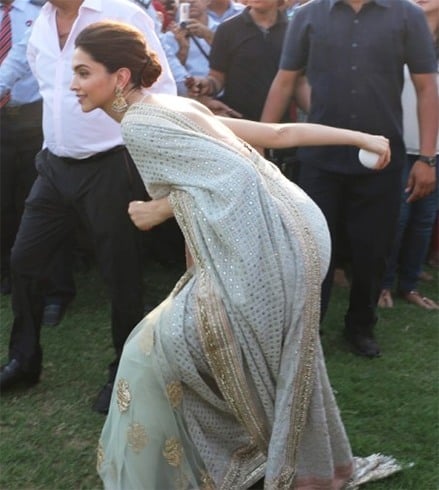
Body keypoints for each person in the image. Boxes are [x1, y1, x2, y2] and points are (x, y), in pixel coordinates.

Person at [71, 20, 396, 489]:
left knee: (150, 355)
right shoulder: (169, 104)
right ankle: (254, 455)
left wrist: (160, 208)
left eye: (83, 73)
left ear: (119, 77)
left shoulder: (141, 126)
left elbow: (234, 181)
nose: (72, 84)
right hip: (297, 233)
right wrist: (360, 137)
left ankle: (209, 467)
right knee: (184, 348)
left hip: (271, 246)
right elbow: (277, 134)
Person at [0, 0, 176, 416]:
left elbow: (162, 88)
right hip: (54, 163)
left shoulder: (122, 13)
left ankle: (125, 373)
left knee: (121, 273)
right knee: (24, 261)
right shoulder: (37, 22)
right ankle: (24, 362)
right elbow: (35, 80)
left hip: (112, 164)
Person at [261, 0, 438, 358]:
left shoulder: (407, 15)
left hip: (382, 160)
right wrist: (260, 143)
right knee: (313, 250)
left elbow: (426, 88)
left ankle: (360, 326)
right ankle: (308, 329)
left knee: (372, 251)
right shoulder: (308, 16)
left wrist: (428, 158)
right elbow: (284, 82)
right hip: (320, 159)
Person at [378, 0, 439, 311]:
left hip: (433, 149)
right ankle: (382, 284)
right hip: (397, 145)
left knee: (423, 220)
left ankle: (410, 285)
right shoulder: (396, 34)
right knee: (396, 219)